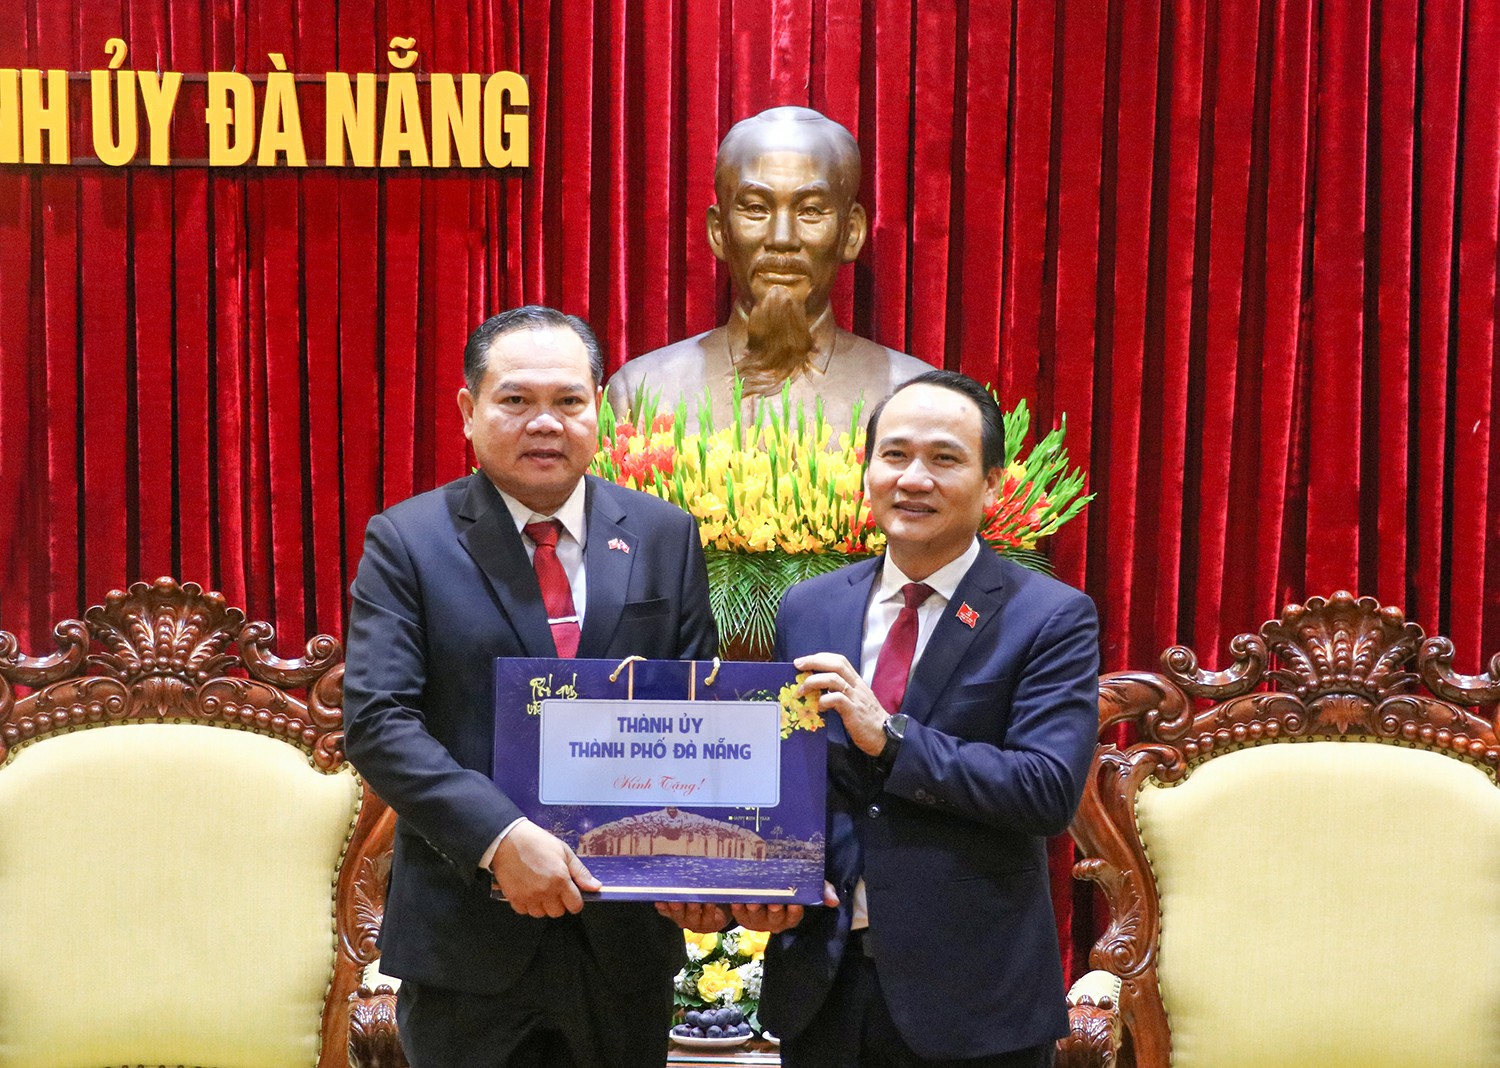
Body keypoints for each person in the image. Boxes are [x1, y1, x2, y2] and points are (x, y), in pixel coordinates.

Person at [343, 305, 721, 1068]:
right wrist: (501, 838)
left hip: (623, 942)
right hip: (468, 945)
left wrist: (703, 866)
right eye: (515, 400)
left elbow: (697, 712)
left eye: (568, 400)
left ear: (598, 408)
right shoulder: (408, 541)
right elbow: (380, 722)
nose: (544, 422)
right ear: (468, 410)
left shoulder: (664, 535)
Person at [736, 370, 1100, 1068]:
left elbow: (1046, 790)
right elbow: (785, 781)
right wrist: (764, 883)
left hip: (973, 1002)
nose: (913, 479)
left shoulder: (1049, 617)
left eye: (944, 458)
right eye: (895, 455)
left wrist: (891, 737)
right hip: (825, 990)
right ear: (867, 471)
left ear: (993, 485)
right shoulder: (810, 607)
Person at [607, 106, 930, 431]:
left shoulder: (915, 398)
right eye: (756, 208)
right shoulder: (641, 395)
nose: (782, 239)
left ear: (851, 233)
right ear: (718, 231)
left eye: (811, 211)